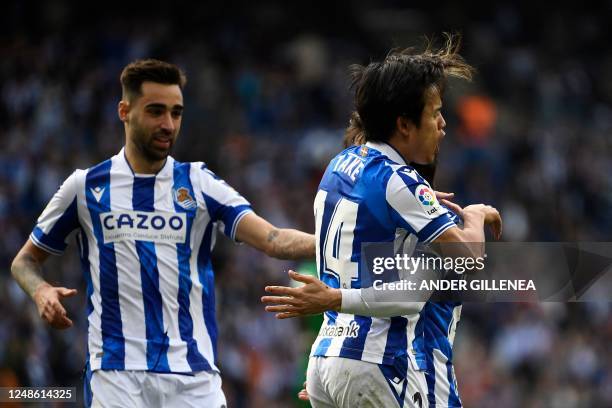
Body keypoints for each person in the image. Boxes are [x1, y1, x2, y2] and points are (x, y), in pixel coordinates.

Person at [10, 59, 315, 408]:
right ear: (124, 111)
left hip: (193, 378)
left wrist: (335, 243)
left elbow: (273, 239)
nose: (168, 124)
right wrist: (40, 290)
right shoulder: (84, 187)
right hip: (116, 375)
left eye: (176, 113)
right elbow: (24, 262)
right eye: (156, 111)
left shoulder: (200, 183)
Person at [262, 35, 501, 407]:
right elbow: (467, 258)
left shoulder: (339, 165)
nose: (442, 124)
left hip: (327, 360)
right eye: (434, 112)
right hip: (378, 362)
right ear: (404, 125)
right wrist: (474, 215)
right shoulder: (400, 181)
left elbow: (351, 233)